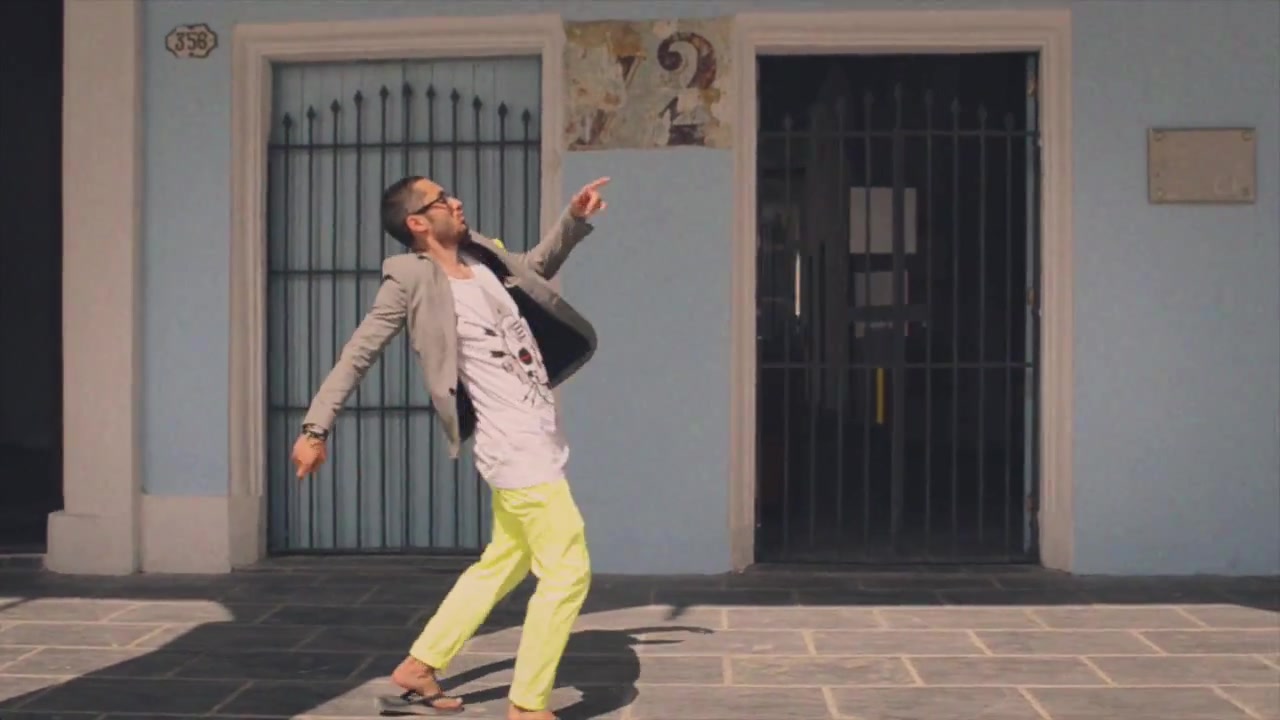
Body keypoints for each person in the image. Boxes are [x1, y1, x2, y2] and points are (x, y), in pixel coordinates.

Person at [291, 175, 610, 719]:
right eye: (442, 200)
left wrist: (573, 220)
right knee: (567, 570)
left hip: (536, 427)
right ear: (417, 222)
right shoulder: (409, 279)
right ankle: (528, 704)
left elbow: (535, 268)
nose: (457, 202)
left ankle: (421, 665)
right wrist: (315, 429)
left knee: (504, 561)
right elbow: (357, 355)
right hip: (513, 444)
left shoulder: (482, 255)